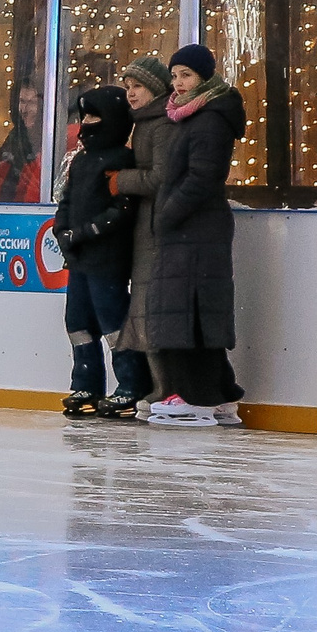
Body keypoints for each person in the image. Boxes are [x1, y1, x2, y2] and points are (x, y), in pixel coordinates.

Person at [114, 44, 246, 428]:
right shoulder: (191, 115)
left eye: (186, 75)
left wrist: (167, 213)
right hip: (189, 229)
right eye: (174, 76)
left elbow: (203, 178)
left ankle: (193, 396)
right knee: (190, 313)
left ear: (204, 77)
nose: (179, 83)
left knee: (185, 314)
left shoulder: (209, 119)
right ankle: (220, 394)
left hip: (195, 230)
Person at [52, 85, 144, 417]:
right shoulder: (80, 162)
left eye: (94, 116)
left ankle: (131, 384)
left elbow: (122, 208)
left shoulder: (122, 159)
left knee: (112, 322)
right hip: (79, 258)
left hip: (107, 258)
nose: (87, 123)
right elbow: (66, 200)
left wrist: (87, 231)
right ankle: (86, 384)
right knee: (77, 321)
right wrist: (61, 229)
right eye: (84, 116)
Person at [109, 56, 175, 399]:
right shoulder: (145, 121)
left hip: (156, 230)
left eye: (137, 86)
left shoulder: (161, 123)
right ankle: (157, 387)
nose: (130, 94)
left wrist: (122, 180)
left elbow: (162, 178)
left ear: (154, 88)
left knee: (149, 310)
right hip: (145, 229)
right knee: (143, 310)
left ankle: (164, 389)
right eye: (127, 87)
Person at [0, 80, 44, 202]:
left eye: (32, 103)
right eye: (22, 102)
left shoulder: (48, 140)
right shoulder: (15, 137)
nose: (25, 109)